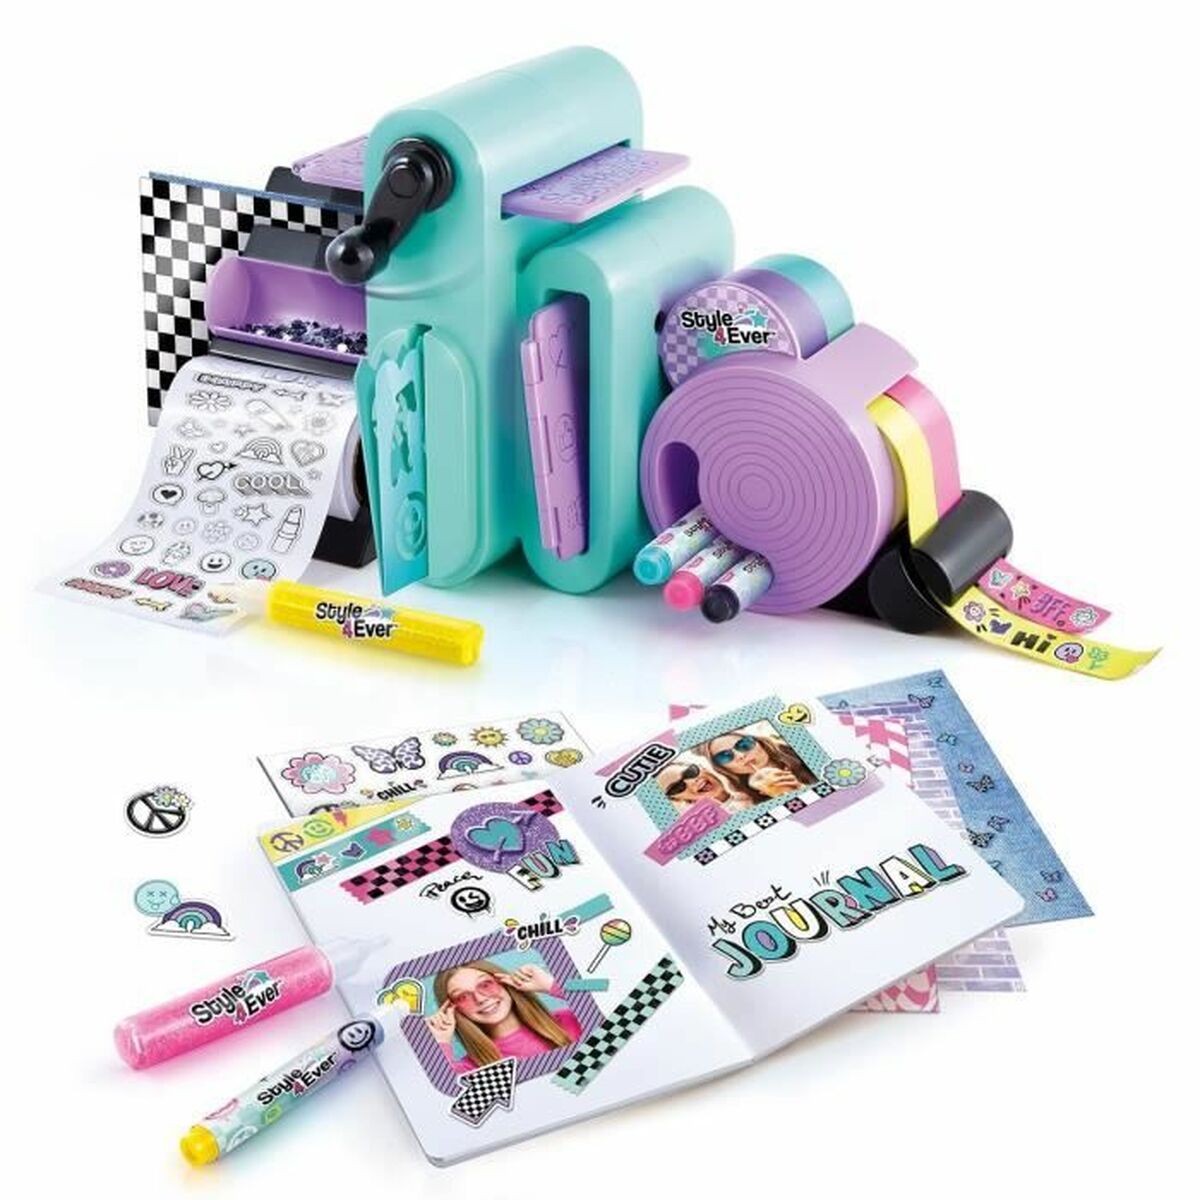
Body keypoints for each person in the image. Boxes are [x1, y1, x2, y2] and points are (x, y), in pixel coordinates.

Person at [425, 959, 581, 1072]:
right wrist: (441, 1042)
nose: (480, 999)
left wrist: (552, 985)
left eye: (485, 985)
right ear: (454, 1010)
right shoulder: (468, 1069)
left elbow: (596, 995)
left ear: (504, 983)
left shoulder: (571, 1019)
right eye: (462, 997)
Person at [705, 730, 815, 804]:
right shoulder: (746, 800)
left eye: (744, 745)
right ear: (723, 768)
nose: (740, 756)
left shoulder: (801, 751)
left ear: (760, 743)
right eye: (724, 756)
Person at [655, 758, 755, 814]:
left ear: (702, 768)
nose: (692, 781)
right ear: (677, 799)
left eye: (690, 772)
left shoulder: (751, 777)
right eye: (677, 787)